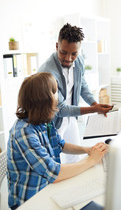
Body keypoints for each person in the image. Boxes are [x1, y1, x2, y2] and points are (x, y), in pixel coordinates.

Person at [7, 72, 109, 210]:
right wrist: (91, 160)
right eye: (55, 91)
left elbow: (60, 144)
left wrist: (88, 150)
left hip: (48, 188)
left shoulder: (43, 120)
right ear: (44, 100)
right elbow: (53, 173)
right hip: (29, 201)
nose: (59, 96)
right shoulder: (24, 132)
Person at [38, 23, 112, 163]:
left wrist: (95, 104)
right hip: (53, 121)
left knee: (75, 158)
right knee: (54, 161)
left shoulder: (79, 61)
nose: (68, 58)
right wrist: (92, 109)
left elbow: (82, 84)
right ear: (56, 46)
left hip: (71, 117)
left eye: (74, 53)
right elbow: (60, 109)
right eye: (63, 52)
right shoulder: (47, 72)